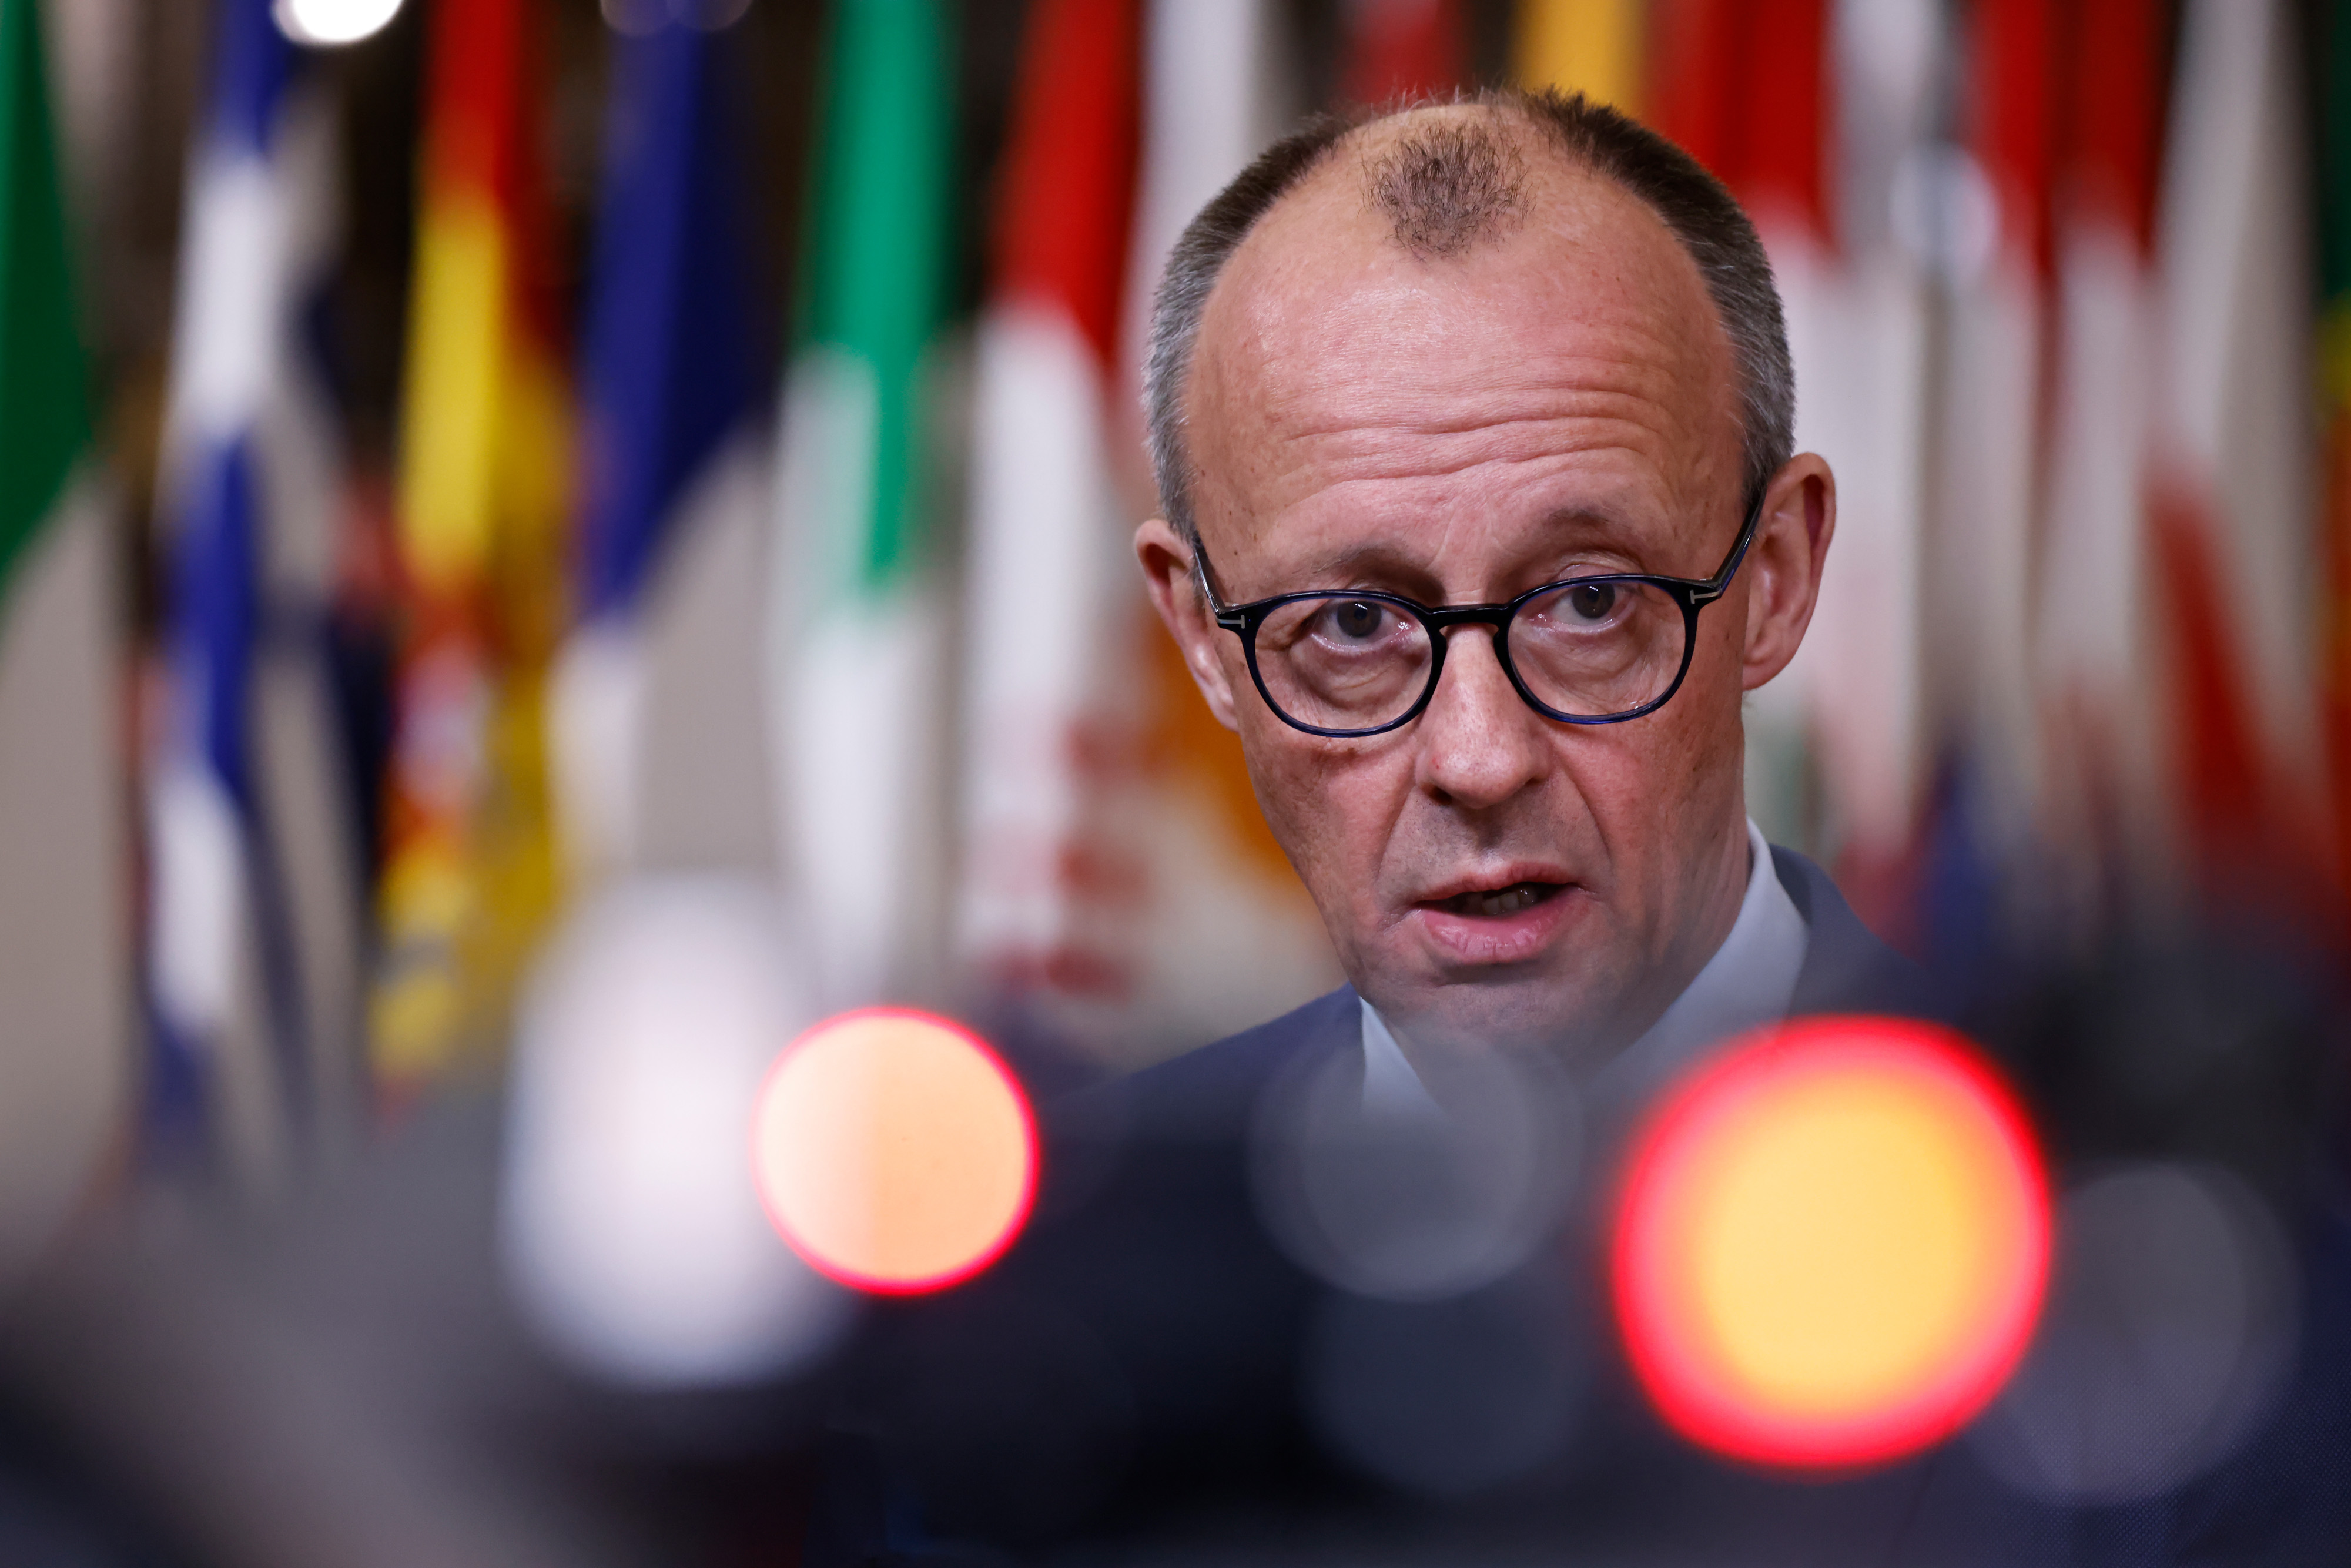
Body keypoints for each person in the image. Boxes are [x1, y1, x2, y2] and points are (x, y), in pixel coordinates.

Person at [1125, 88, 1930, 1133]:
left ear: (1773, 578)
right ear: (1202, 633)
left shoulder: (2099, 1211)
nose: (1480, 759)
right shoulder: (1083, 1260)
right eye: (1354, 625)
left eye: (1589, 601)